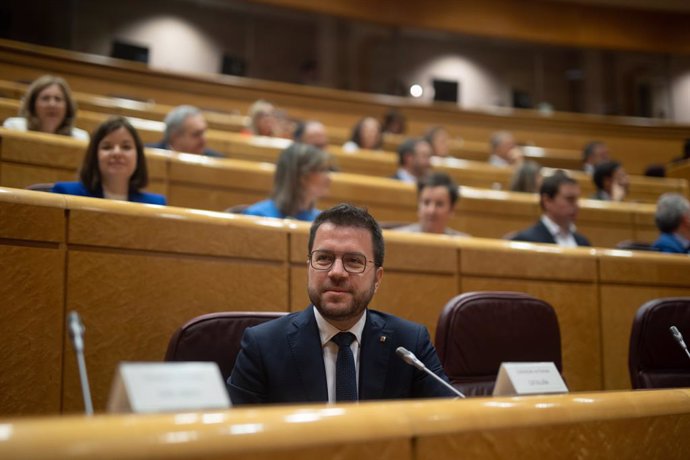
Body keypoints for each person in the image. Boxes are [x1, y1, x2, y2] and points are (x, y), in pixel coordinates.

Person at [228, 203, 456, 404]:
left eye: (354, 261)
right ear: (309, 267)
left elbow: (453, 424)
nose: (337, 272)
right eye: (324, 258)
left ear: (377, 278)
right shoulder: (262, 346)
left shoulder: (409, 346)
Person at [52, 116, 166, 205]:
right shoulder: (66, 195)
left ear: (138, 157)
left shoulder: (156, 204)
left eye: (126, 147)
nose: (116, 153)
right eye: (107, 147)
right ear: (94, 155)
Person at [242, 143, 331, 221]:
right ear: (301, 176)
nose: (328, 177)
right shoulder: (258, 216)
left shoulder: (321, 221)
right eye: (321, 170)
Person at [511, 172, 591, 247]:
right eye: (569, 199)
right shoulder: (526, 241)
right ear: (547, 201)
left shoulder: (583, 242)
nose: (576, 205)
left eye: (576, 199)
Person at [3, 74, 89, 141]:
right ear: (33, 105)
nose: (52, 104)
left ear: (67, 107)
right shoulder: (14, 128)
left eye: (58, 99)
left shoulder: (80, 138)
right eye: (45, 98)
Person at [395, 172, 467, 236]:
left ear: (451, 210)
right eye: (426, 203)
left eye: (439, 204)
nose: (431, 211)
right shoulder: (397, 238)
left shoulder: (464, 245)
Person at [148, 105, 223, 157]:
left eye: (203, 133)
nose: (204, 140)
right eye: (196, 134)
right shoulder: (147, 155)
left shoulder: (217, 160)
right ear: (175, 137)